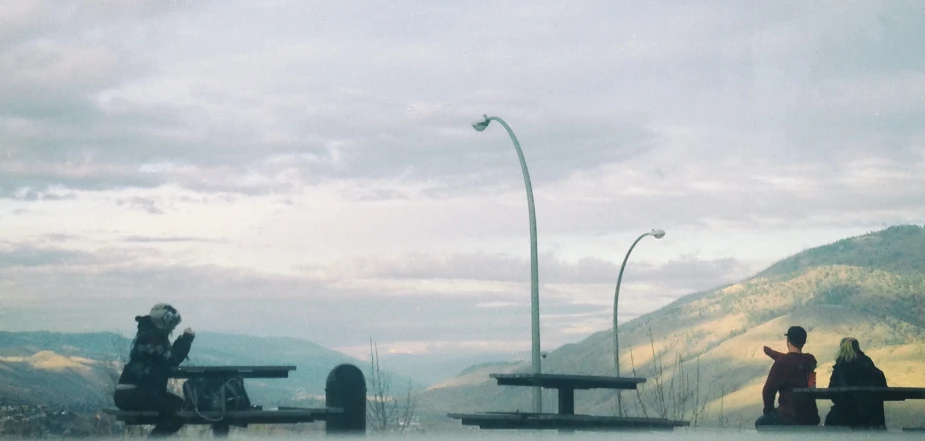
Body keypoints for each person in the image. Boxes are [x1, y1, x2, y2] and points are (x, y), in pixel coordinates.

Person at [114, 303, 195, 438]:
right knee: (182, 410)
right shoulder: (152, 338)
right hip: (137, 393)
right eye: (171, 324)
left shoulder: (147, 334)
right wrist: (185, 339)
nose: (172, 328)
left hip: (130, 393)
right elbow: (171, 359)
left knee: (174, 407)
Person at [755, 326, 820, 428]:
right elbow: (795, 360)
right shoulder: (810, 360)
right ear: (803, 342)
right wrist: (773, 353)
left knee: (760, 423)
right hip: (810, 416)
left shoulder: (782, 363)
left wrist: (769, 411)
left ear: (788, 341)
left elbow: (768, 390)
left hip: (788, 417)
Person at [824, 337, 887, 429]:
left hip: (846, 415)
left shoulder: (841, 367)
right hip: (872, 416)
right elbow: (882, 388)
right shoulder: (869, 365)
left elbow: (833, 392)